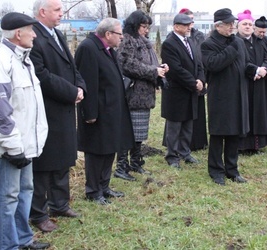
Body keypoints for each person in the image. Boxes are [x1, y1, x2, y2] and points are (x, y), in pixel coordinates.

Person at [0, 12, 50, 250]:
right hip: (12, 146)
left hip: (25, 143)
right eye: (31, 30)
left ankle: (23, 239)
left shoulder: (23, 60)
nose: (35, 35)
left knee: (25, 190)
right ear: (19, 34)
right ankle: (8, 245)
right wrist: (13, 147)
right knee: (8, 197)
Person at [29, 0, 86, 232]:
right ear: (43, 12)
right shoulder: (33, 37)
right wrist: (71, 92)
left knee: (63, 157)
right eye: (58, 10)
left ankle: (60, 204)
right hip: (46, 109)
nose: (62, 13)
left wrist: (81, 86)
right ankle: (38, 213)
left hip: (64, 107)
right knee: (44, 163)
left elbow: (72, 67)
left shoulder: (57, 34)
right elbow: (41, 75)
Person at [75, 18, 134, 205]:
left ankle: (104, 186)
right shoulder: (88, 48)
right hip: (98, 113)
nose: (122, 37)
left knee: (110, 148)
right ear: (108, 34)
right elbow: (87, 83)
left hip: (112, 111)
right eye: (119, 34)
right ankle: (93, 190)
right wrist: (89, 113)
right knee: (96, 151)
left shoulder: (108, 50)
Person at [201, 8, 257, 185]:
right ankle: (216, 171)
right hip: (221, 97)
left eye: (233, 23)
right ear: (218, 26)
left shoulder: (237, 42)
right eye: (229, 24)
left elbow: (245, 62)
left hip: (239, 94)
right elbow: (213, 64)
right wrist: (232, 48)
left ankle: (232, 170)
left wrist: (253, 69)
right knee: (219, 134)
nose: (232, 26)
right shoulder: (208, 44)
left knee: (234, 134)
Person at [114, 10, 169, 181]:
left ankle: (136, 163)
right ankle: (121, 167)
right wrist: (154, 71)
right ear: (134, 25)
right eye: (143, 26)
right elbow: (127, 65)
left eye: (148, 27)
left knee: (139, 132)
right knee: (128, 132)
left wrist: (160, 68)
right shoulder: (127, 41)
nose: (146, 30)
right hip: (132, 93)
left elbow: (148, 64)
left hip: (144, 93)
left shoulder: (145, 42)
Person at [161, 14, 205, 169]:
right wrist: (194, 83)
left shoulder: (191, 41)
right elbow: (175, 70)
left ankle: (184, 152)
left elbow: (198, 63)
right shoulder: (169, 44)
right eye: (185, 25)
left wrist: (200, 80)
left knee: (188, 123)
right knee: (175, 125)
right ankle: (172, 155)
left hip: (191, 90)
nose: (189, 27)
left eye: (190, 24)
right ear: (176, 26)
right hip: (176, 92)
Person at [236, 10, 267, 155]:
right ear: (238, 26)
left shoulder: (259, 41)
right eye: (244, 24)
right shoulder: (235, 42)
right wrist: (255, 71)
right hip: (243, 84)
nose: (247, 27)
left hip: (259, 84)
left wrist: (265, 69)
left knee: (258, 114)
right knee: (244, 114)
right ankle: (241, 147)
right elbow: (239, 62)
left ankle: (256, 146)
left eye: (250, 24)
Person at [178, 8, 208, 151]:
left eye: (192, 20)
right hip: (184, 81)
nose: (190, 24)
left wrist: (201, 79)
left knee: (198, 112)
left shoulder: (199, 36)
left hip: (198, 78)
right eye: (187, 20)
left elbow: (201, 58)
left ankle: (198, 141)